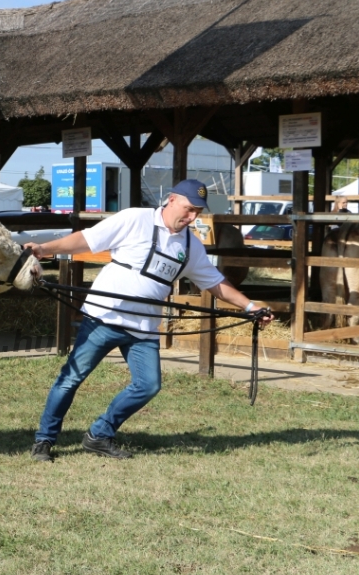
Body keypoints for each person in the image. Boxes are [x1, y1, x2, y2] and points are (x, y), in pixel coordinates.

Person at [28, 179, 273, 462]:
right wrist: (45, 250)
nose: (192, 217)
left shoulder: (191, 246)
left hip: (144, 327)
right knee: (71, 378)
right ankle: (44, 440)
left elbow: (216, 283)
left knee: (148, 385)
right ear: (171, 199)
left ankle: (99, 435)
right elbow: (87, 240)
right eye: (188, 208)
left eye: (197, 212)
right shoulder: (135, 219)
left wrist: (251, 306)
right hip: (104, 317)